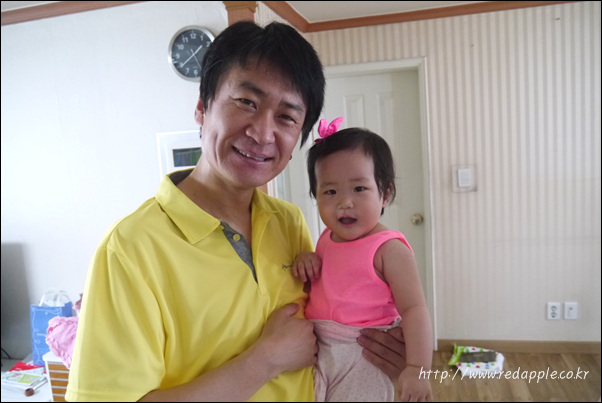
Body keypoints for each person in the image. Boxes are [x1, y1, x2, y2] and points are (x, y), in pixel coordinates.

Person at [66, 21, 406, 402]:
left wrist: (385, 355)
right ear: (202, 107)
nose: (262, 133)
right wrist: (264, 360)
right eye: (246, 102)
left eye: (286, 117)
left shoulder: (288, 221)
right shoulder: (129, 249)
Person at [293, 123, 433, 402]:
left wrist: (418, 369)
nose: (345, 202)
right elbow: (325, 284)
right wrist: (307, 260)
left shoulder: (389, 249)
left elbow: (415, 310)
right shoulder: (326, 238)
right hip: (319, 347)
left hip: (362, 353)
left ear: (386, 194)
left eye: (359, 188)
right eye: (330, 192)